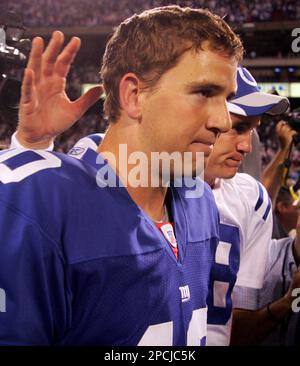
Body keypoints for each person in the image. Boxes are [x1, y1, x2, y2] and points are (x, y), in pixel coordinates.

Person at [0, 6, 243, 345]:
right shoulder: (42, 203)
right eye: (204, 93)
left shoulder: (200, 201)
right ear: (134, 95)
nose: (224, 121)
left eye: (226, 98)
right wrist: (30, 146)